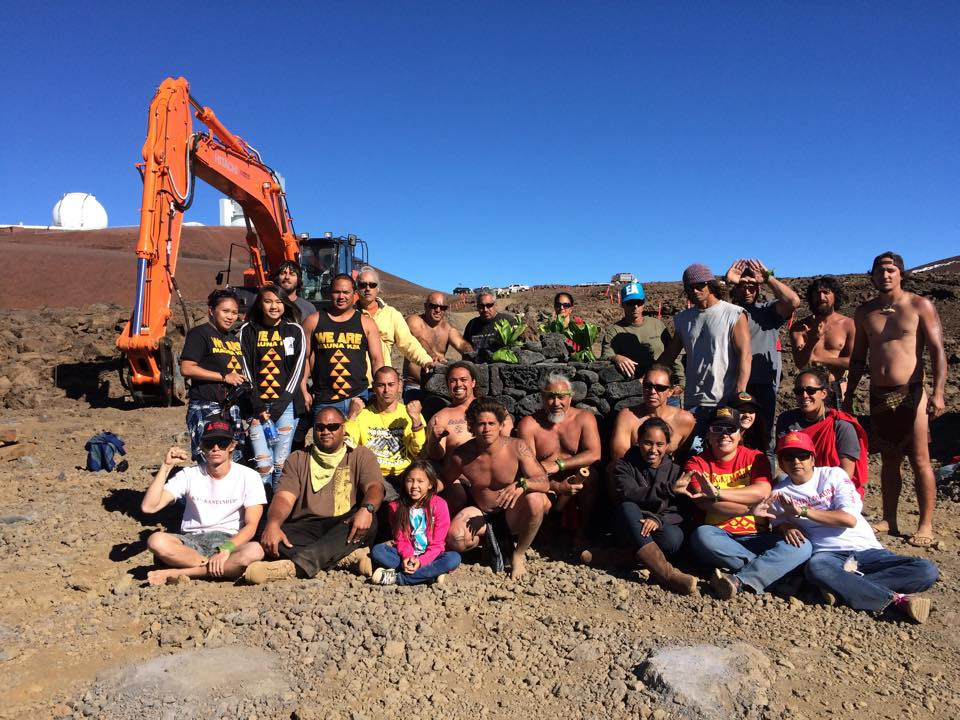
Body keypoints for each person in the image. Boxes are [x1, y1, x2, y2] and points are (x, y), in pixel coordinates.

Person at [759, 432, 938, 623]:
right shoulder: (779, 493)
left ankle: (840, 588)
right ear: (781, 462)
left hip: (868, 551)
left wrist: (803, 511)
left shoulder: (833, 475)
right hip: (829, 556)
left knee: (926, 570)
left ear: (812, 458)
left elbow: (849, 520)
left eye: (802, 455)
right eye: (789, 456)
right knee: (817, 568)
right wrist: (785, 526)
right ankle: (896, 600)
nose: (796, 461)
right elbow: (774, 521)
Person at [843, 252, 946, 547]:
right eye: (879, 270)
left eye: (891, 270)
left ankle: (925, 524)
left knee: (920, 460)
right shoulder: (864, 313)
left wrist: (938, 392)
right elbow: (859, 358)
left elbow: (937, 351)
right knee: (889, 459)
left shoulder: (918, 305)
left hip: (911, 391)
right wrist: (850, 394)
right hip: (878, 393)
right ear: (872, 275)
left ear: (901, 273)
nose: (885, 275)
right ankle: (889, 518)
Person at [678, 406, 812, 599]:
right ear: (708, 433)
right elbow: (707, 504)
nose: (724, 435)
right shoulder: (696, 463)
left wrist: (717, 492)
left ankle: (739, 580)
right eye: (718, 428)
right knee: (701, 536)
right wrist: (750, 509)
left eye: (730, 429)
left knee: (803, 546)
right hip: (720, 535)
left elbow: (762, 491)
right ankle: (778, 575)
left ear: (740, 434)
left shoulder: (755, 457)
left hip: (759, 535)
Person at [243, 407, 385, 584]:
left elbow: (375, 487)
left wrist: (367, 509)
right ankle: (344, 558)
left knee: (370, 521)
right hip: (306, 527)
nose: (326, 431)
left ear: (344, 429)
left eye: (333, 426)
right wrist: (273, 524)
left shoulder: (360, 454)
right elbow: (283, 498)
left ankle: (294, 567)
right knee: (265, 530)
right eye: (320, 427)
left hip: (343, 525)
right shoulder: (298, 458)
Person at [443, 398, 562, 581]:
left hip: (512, 512)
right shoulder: (462, 455)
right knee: (456, 539)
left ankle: (518, 553)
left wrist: (522, 484)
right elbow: (443, 482)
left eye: (491, 423)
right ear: (471, 426)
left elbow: (544, 482)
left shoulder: (517, 447)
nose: (486, 429)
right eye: (481, 424)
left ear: (500, 425)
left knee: (537, 499)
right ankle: (488, 543)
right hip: (482, 513)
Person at [140, 419, 266, 586]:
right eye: (209, 443)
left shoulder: (249, 476)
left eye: (222, 443)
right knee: (156, 541)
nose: (215, 448)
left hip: (229, 540)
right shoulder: (189, 474)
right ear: (202, 446)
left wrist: (225, 550)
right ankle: (214, 569)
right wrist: (166, 467)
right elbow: (149, 507)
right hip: (191, 542)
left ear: (232, 446)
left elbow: (251, 526)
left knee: (255, 550)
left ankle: (180, 573)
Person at [658, 263, 751, 446]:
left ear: (710, 284)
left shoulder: (733, 314)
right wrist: (649, 375)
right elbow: (670, 355)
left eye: (700, 285)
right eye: (689, 287)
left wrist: (739, 394)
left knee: (724, 451)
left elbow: (745, 356)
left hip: (724, 399)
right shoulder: (683, 319)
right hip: (694, 400)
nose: (695, 290)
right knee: (695, 454)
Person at [610, 418, 698, 594]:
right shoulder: (623, 466)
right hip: (632, 524)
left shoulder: (676, 471)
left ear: (667, 446)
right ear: (638, 442)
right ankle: (666, 574)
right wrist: (668, 489)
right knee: (628, 507)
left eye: (660, 444)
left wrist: (658, 519)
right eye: (648, 443)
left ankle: (619, 557)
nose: (653, 450)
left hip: (660, 526)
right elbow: (630, 493)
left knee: (673, 540)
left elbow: (682, 509)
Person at [517, 372, 602, 549]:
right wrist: (556, 486)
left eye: (561, 397)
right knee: (532, 489)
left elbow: (595, 454)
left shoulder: (584, 418)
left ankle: (582, 532)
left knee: (591, 475)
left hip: (576, 478)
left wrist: (559, 465)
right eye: (550, 397)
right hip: (545, 481)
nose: (556, 403)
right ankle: (544, 528)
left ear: (570, 398)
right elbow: (528, 468)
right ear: (542, 398)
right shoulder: (529, 424)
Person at [237, 283, 307, 490]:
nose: (273, 306)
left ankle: (275, 512)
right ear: (260, 305)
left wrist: (279, 406)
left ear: (285, 304)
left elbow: (297, 371)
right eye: (268, 301)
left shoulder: (294, 331)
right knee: (262, 463)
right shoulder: (247, 331)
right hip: (256, 407)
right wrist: (258, 405)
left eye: (278, 301)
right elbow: (245, 369)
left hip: (285, 407)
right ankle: (260, 509)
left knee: (280, 463)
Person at [726, 258, 801, 435]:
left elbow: (793, 301)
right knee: (733, 432)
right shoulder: (728, 312)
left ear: (759, 288)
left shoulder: (768, 311)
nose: (747, 290)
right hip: (732, 383)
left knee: (764, 434)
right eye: (742, 285)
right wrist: (727, 281)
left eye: (752, 286)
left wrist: (768, 278)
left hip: (763, 384)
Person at [301, 274, 384, 419]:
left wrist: (380, 390)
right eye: (336, 292)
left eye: (346, 292)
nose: (341, 296)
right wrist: (303, 390)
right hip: (325, 399)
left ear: (355, 294)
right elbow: (303, 359)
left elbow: (377, 360)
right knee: (328, 440)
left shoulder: (366, 323)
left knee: (359, 441)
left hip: (359, 398)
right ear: (329, 292)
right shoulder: (312, 321)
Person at [776, 367, 868, 497]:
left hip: (833, 488)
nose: (804, 396)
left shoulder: (841, 425)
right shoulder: (786, 420)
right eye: (799, 391)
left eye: (811, 390)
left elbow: (846, 474)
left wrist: (820, 494)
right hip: (799, 483)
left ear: (823, 393)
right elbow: (785, 462)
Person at [180, 289, 247, 461]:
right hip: (205, 406)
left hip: (231, 408)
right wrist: (224, 377)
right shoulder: (200, 334)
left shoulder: (233, 339)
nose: (230, 317)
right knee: (209, 459)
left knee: (233, 460)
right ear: (211, 310)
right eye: (225, 311)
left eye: (234, 312)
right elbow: (187, 368)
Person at [370, 461, 462, 586]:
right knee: (378, 551)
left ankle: (398, 578)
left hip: (432, 556)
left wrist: (421, 561)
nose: (414, 485)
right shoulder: (396, 506)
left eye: (420, 481)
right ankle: (430, 576)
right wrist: (407, 557)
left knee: (453, 558)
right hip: (406, 556)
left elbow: (438, 544)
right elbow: (400, 539)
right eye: (410, 480)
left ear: (430, 484)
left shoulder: (439, 505)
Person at [345, 366, 426, 501]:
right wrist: (351, 417)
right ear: (374, 387)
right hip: (373, 475)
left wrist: (416, 421)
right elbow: (348, 446)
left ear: (399, 386)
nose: (386, 390)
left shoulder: (410, 414)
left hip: (405, 474)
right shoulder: (362, 415)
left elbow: (419, 452)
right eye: (381, 385)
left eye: (391, 385)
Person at [355, 267, 438, 379]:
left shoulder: (392, 314)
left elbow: (408, 343)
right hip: (354, 384)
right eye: (362, 285)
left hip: (382, 382)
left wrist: (426, 361)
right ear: (356, 288)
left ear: (378, 288)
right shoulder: (348, 314)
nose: (367, 288)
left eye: (372, 285)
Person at [608, 364, 697, 466]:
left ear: (671, 391)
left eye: (660, 388)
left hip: (666, 476)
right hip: (631, 473)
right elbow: (619, 458)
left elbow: (681, 460)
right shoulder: (627, 417)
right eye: (647, 386)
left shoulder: (685, 420)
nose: (652, 392)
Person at [600, 282, 683, 388]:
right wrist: (616, 358)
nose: (635, 306)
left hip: (663, 387)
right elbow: (605, 356)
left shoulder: (658, 325)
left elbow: (673, 353)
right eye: (630, 302)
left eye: (639, 302)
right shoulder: (614, 331)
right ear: (623, 304)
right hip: (635, 389)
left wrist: (681, 382)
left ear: (643, 303)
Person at [425, 361, 513, 461]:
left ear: (473, 382)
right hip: (458, 475)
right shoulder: (440, 418)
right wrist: (434, 440)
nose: (458, 384)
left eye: (463, 380)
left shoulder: (495, 409)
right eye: (453, 380)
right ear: (448, 385)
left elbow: (509, 444)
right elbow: (436, 457)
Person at [790, 276, 855, 404]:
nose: (821, 297)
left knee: (840, 424)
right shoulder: (799, 328)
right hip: (809, 392)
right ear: (811, 298)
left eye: (826, 292)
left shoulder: (849, 325)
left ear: (835, 296)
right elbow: (800, 363)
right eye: (817, 293)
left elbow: (853, 362)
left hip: (838, 388)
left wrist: (816, 359)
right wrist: (812, 341)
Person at [404, 292, 473, 398]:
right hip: (415, 385)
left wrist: (471, 353)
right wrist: (433, 356)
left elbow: (461, 344)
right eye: (434, 306)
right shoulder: (414, 321)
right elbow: (418, 340)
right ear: (425, 306)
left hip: (438, 384)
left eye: (442, 307)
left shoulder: (447, 328)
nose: (438, 310)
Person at [463, 292, 516, 361]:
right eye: (481, 306)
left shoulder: (508, 321)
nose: (485, 309)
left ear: (495, 304)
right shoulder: (472, 325)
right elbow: (465, 351)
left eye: (489, 305)